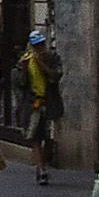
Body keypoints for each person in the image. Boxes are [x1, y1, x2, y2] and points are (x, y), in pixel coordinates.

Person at [19, 32, 64, 184]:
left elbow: (56, 75)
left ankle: (43, 164)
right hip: (33, 104)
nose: (39, 48)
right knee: (36, 137)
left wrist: (41, 64)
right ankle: (41, 169)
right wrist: (24, 69)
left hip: (50, 103)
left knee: (50, 138)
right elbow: (20, 84)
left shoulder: (52, 57)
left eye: (41, 45)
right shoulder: (25, 59)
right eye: (36, 46)